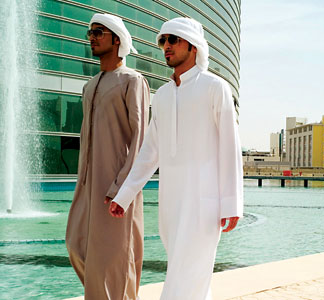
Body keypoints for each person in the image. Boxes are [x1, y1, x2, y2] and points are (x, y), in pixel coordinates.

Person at [109, 17, 243, 300]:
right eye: (162, 41)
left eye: (173, 40)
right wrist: (125, 195)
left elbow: (230, 148)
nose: (166, 47)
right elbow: (150, 152)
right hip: (170, 205)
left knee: (187, 276)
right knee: (190, 278)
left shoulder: (216, 88)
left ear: (193, 47)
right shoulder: (163, 96)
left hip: (204, 203)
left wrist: (231, 203)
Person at [65, 13, 150, 300]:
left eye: (98, 32)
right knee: (75, 245)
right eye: (90, 33)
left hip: (118, 186)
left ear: (117, 39)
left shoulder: (132, 80)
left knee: (116, 257)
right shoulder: (89, 86)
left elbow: (140, 139)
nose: (92, 38)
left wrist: (122, 188)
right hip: (88, 185)